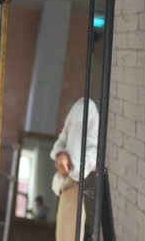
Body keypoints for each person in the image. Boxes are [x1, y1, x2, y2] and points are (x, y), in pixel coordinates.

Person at [50, 98, 99, 241]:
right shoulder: (79, 106)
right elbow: (62, 140)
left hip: (82, 182)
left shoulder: (93, 111)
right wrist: (60, 155)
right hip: (68, 184)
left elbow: (95, 152)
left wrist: (74, 176)